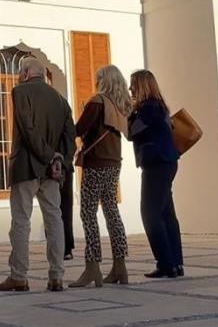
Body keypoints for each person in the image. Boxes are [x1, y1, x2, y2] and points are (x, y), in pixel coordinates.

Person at [0, 57, 76, 293]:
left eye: (20, 72)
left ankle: (19, 275)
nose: (18, 76)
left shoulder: (20, 92)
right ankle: (57, 276)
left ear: (26, 73)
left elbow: (28, 129)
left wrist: (50, 157)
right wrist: (61, 160)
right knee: (54, 219)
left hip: (27, 167)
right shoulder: (60, 100)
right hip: (51, 172)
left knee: (20, 220)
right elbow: (70, 136)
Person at [70, 65, 131, 287]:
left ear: (104, 80)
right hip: (115, 163)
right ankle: (120, 266)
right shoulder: (122, 105)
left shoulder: (98, 102)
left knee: (88, 212)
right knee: (112, 212)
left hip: (96, 163)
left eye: (98, 78)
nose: (96, 82)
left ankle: (92, 266)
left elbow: (78, 129)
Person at [128, 69, 183, 278]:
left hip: (157, 164)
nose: (130, 89)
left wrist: (128, 112)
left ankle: (166, 263)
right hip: (166, 162)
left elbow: (132, 132)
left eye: (133, 85)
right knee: (166, 213)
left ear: (142, 86)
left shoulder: (148, 108)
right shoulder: (158, 106)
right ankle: (175, 263)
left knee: (150, 214)